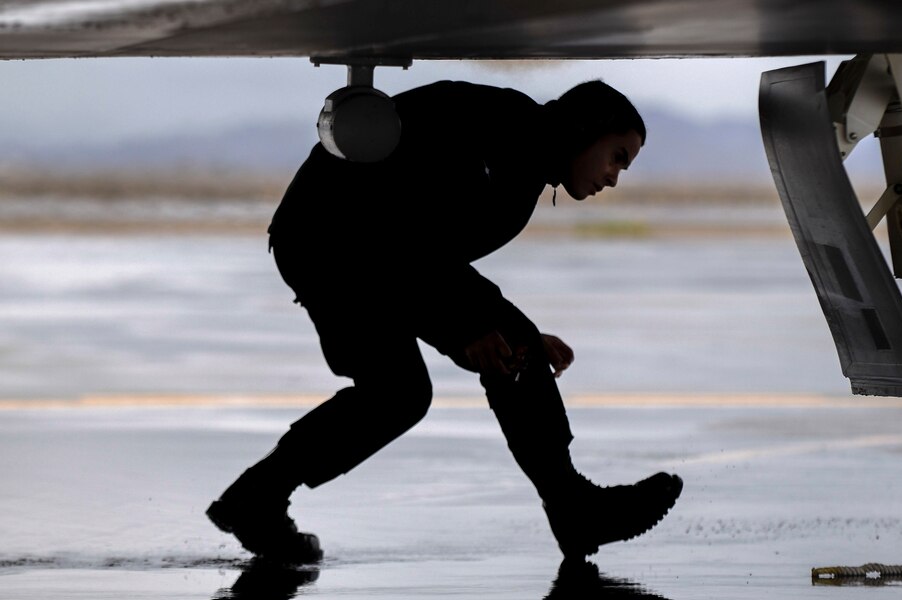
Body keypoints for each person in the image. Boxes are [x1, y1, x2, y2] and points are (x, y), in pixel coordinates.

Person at [206, 79, 684, 565]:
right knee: (397, 391)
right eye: (617, 157)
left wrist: (508, 329)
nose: (614, 177)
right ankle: (257, 499)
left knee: (511, 348)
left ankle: (573, 509)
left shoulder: (524, 159)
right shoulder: (506, 139)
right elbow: (402, 231)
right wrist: (467, 328)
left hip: (378, 250)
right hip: (333, 242)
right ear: (586, 129)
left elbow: (431, 254)